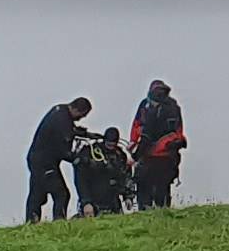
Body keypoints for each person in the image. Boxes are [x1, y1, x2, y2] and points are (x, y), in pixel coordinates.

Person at [26, 97, 93, 223]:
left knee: (36, 195)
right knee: (61, 194)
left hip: (37, 160)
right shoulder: (62, 121)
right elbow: (63, 151)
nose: (80, 119)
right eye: (81, 115)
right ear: (76, 109)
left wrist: (86, 134)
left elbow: (70, 130)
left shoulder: (60, 110)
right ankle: (59, 222)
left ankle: (31, 223)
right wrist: (77, 158)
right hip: (45, 164)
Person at [129, 79, 186, 208]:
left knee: (144, 190)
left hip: (149, 156)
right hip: (169, 157)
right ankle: (164, 215)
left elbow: (145, 133)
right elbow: (178, 131)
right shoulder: (174, 107)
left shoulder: (149, 107)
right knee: (163, 189)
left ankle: (146, 216)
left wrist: (134, 155)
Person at [73, 125, 132, 217]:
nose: (111, 147)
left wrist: (127, 196)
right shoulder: (90, 153)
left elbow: (125, 176)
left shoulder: (120, 156)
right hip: (93, 201)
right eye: (109, 145)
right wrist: (86, 202)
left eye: (113, 145)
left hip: (113, 202)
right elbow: (81, 179)